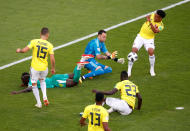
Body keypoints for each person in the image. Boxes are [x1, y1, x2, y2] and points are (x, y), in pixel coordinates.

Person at [16, 27, 55, 108]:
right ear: (48, 35)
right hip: (44, 68)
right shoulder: (50, 45)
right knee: (42, 81)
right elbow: (52, 59)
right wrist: (53, 68)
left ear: (40, 34)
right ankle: (45, 97)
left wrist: (19, 50)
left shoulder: (34, 41)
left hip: (35, 68)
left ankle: (39, 103)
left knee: (34, 85)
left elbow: (24, 50)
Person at [11, 55, 92, 95]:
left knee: (75, 82)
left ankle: (79, 66)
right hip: (55, 77)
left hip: (55, 82)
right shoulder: (33, 74)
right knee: (74, 75)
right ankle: (83, 59)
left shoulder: (31, 83)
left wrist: (17, 92)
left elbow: (28, 89)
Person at [128, 10, 166, 77]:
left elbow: (155, 31)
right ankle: (129, 70)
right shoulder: (153, 15)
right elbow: (148, 16)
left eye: (156, 17)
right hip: (140, 36)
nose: (154, 17)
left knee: (151, 51)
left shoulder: (161, 26)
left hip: (149, 39)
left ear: (160, 18)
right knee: (133, 51)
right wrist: (148, 17)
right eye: (155, 15)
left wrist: (150, 22)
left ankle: (152, 69)